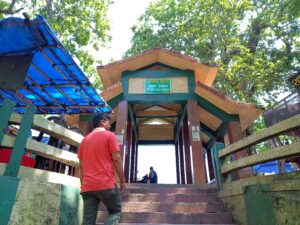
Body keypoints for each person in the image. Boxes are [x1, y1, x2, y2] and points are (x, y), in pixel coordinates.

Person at [78, 113, 126, 225]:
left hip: (88, 185)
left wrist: (83, 184)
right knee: (115, 211)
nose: (110, 125)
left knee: (88, 220)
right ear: (102, 122)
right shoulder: (109, 135)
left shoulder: (84, 140)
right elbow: (117, 159)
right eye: (108, 122)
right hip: (105, 184)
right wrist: (122, 181)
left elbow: (81, 166)